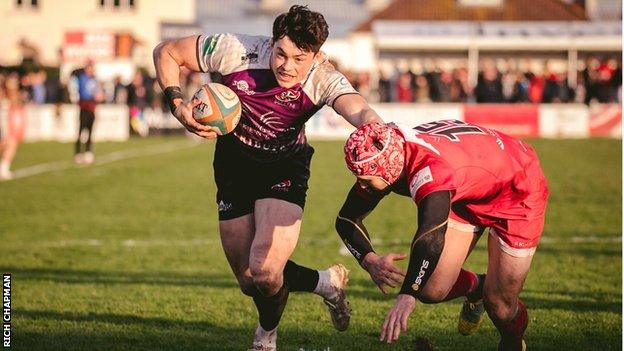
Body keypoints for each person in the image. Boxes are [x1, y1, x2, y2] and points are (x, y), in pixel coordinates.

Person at [152, 5, 384, 350]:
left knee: (264, 271)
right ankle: (326, 283)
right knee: (248, 280)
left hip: (284, 167)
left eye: (299, 58)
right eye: (281, 53)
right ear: (271, 42)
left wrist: (378, 131)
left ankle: (265, 337)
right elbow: (167, 52)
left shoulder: (323, 77)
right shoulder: (236, 49)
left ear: (316, 56)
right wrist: (177, 103)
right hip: (233, 165)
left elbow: (357, 106)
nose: (286, 66)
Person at [336, 121, 549, 350]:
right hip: (468, 185)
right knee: (431, 288)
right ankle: (478, 288)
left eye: (366, 180)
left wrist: (407, 295)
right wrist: (369, 259)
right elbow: (346, 219)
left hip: (516, 189)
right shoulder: (390, 149)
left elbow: (430, 236)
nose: (361, 185)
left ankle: (512, 340)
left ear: (388, 167)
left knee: (500, 305)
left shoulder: (431, 172)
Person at [71, 60, 100, 165]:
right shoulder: (81, 77)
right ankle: (78, 153)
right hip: (83, 106)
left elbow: (97, 92)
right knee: (81, 130)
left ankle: (88, 152)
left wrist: (99, 96)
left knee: (90, 131)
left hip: (92, 106)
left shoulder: (94, 79)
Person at [0, 73, 26, 181]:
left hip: (7, 123)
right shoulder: (5, 95)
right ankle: (3, 169)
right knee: (9, 143)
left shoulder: (14, 96)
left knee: (10, 143)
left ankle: (4, 168)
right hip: (4, 123)